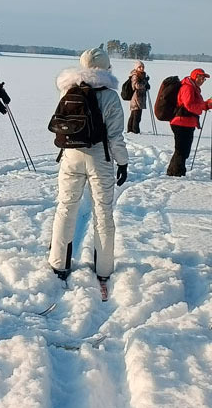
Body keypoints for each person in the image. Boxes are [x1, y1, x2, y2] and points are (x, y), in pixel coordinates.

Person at [47, 48, 130, 299]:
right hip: (100, 159)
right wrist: (122, 163)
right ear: (106, 68)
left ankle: (59, 263)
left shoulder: (68, 90)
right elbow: (115, 136)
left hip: (71, 157)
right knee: (103, 212)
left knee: (65, 207)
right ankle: (104, 269)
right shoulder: (111, 97)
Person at [165, 68, 212, 176]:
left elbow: (195, 104)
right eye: (200, 77)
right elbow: (189, 106)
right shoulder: (188, 88)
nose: (202, 80)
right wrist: (205, 105)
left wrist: (207, 104)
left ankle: (174, 172)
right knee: (181, 150)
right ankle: (177, 173)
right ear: (194, 76)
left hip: (186, 122)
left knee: (183, 150)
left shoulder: (193, 88)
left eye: (204, 78)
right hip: (181, 122)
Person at [126, 61, 150, 134]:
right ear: (136, 68)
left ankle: (130, 130)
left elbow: (143, 85)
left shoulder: (142, 75)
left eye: (143, 67)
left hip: (140, 98)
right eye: (140, 67)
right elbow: (137, 86)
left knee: (134, 115)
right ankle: (135, 131)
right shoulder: (135, 75)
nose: (142, 68)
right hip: (136, 98)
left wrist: (147, 85)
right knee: (136, 116)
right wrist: (145, 82)